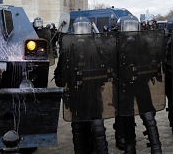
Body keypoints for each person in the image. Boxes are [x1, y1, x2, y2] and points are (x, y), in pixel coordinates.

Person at [54, 17, 109, 154]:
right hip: (76, 96)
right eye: (80, 28)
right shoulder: (68, 50)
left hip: (93, 95)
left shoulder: (97, 48)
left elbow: (107, 70)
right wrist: (68, 80)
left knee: (98, 128)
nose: (82, 31)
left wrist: (98, 78)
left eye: (84, 28)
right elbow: (58, 74)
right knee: (78, 130)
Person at [116, 16, 163, 154]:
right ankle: (138, 144)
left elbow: (152, 62)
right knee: (129, 114)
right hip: (129, 82)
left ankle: (153, 145)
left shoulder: (141, 42)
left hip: (137, 82)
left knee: (144, 113)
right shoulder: (120, 43)